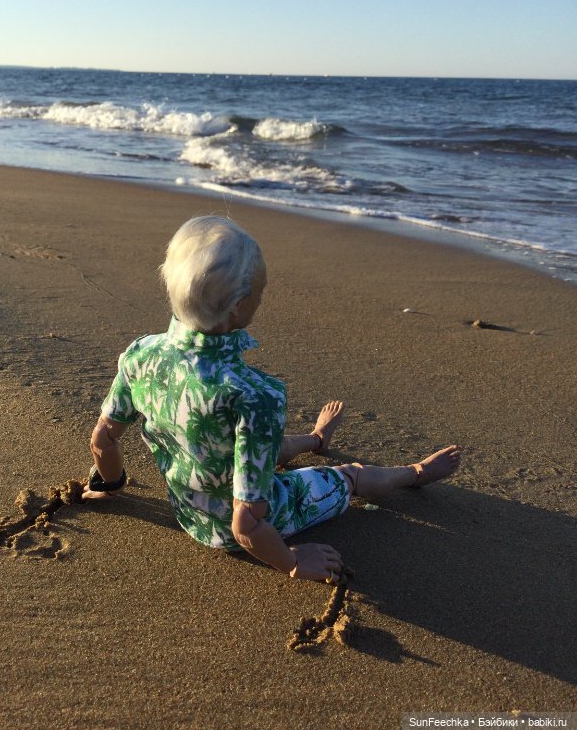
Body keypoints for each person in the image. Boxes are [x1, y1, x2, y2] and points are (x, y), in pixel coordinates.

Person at [82, 216, 460, 583]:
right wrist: (292, 561)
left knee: (253, 447)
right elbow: (247, 524)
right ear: (239, 306)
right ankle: (415, 473)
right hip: (240, 533)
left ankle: (315, 440)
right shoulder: (255, 395)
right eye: (259, 292)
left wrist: (111, 485)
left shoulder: (141, 355)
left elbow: (104, 438)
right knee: (351, 476)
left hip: (188, 511)